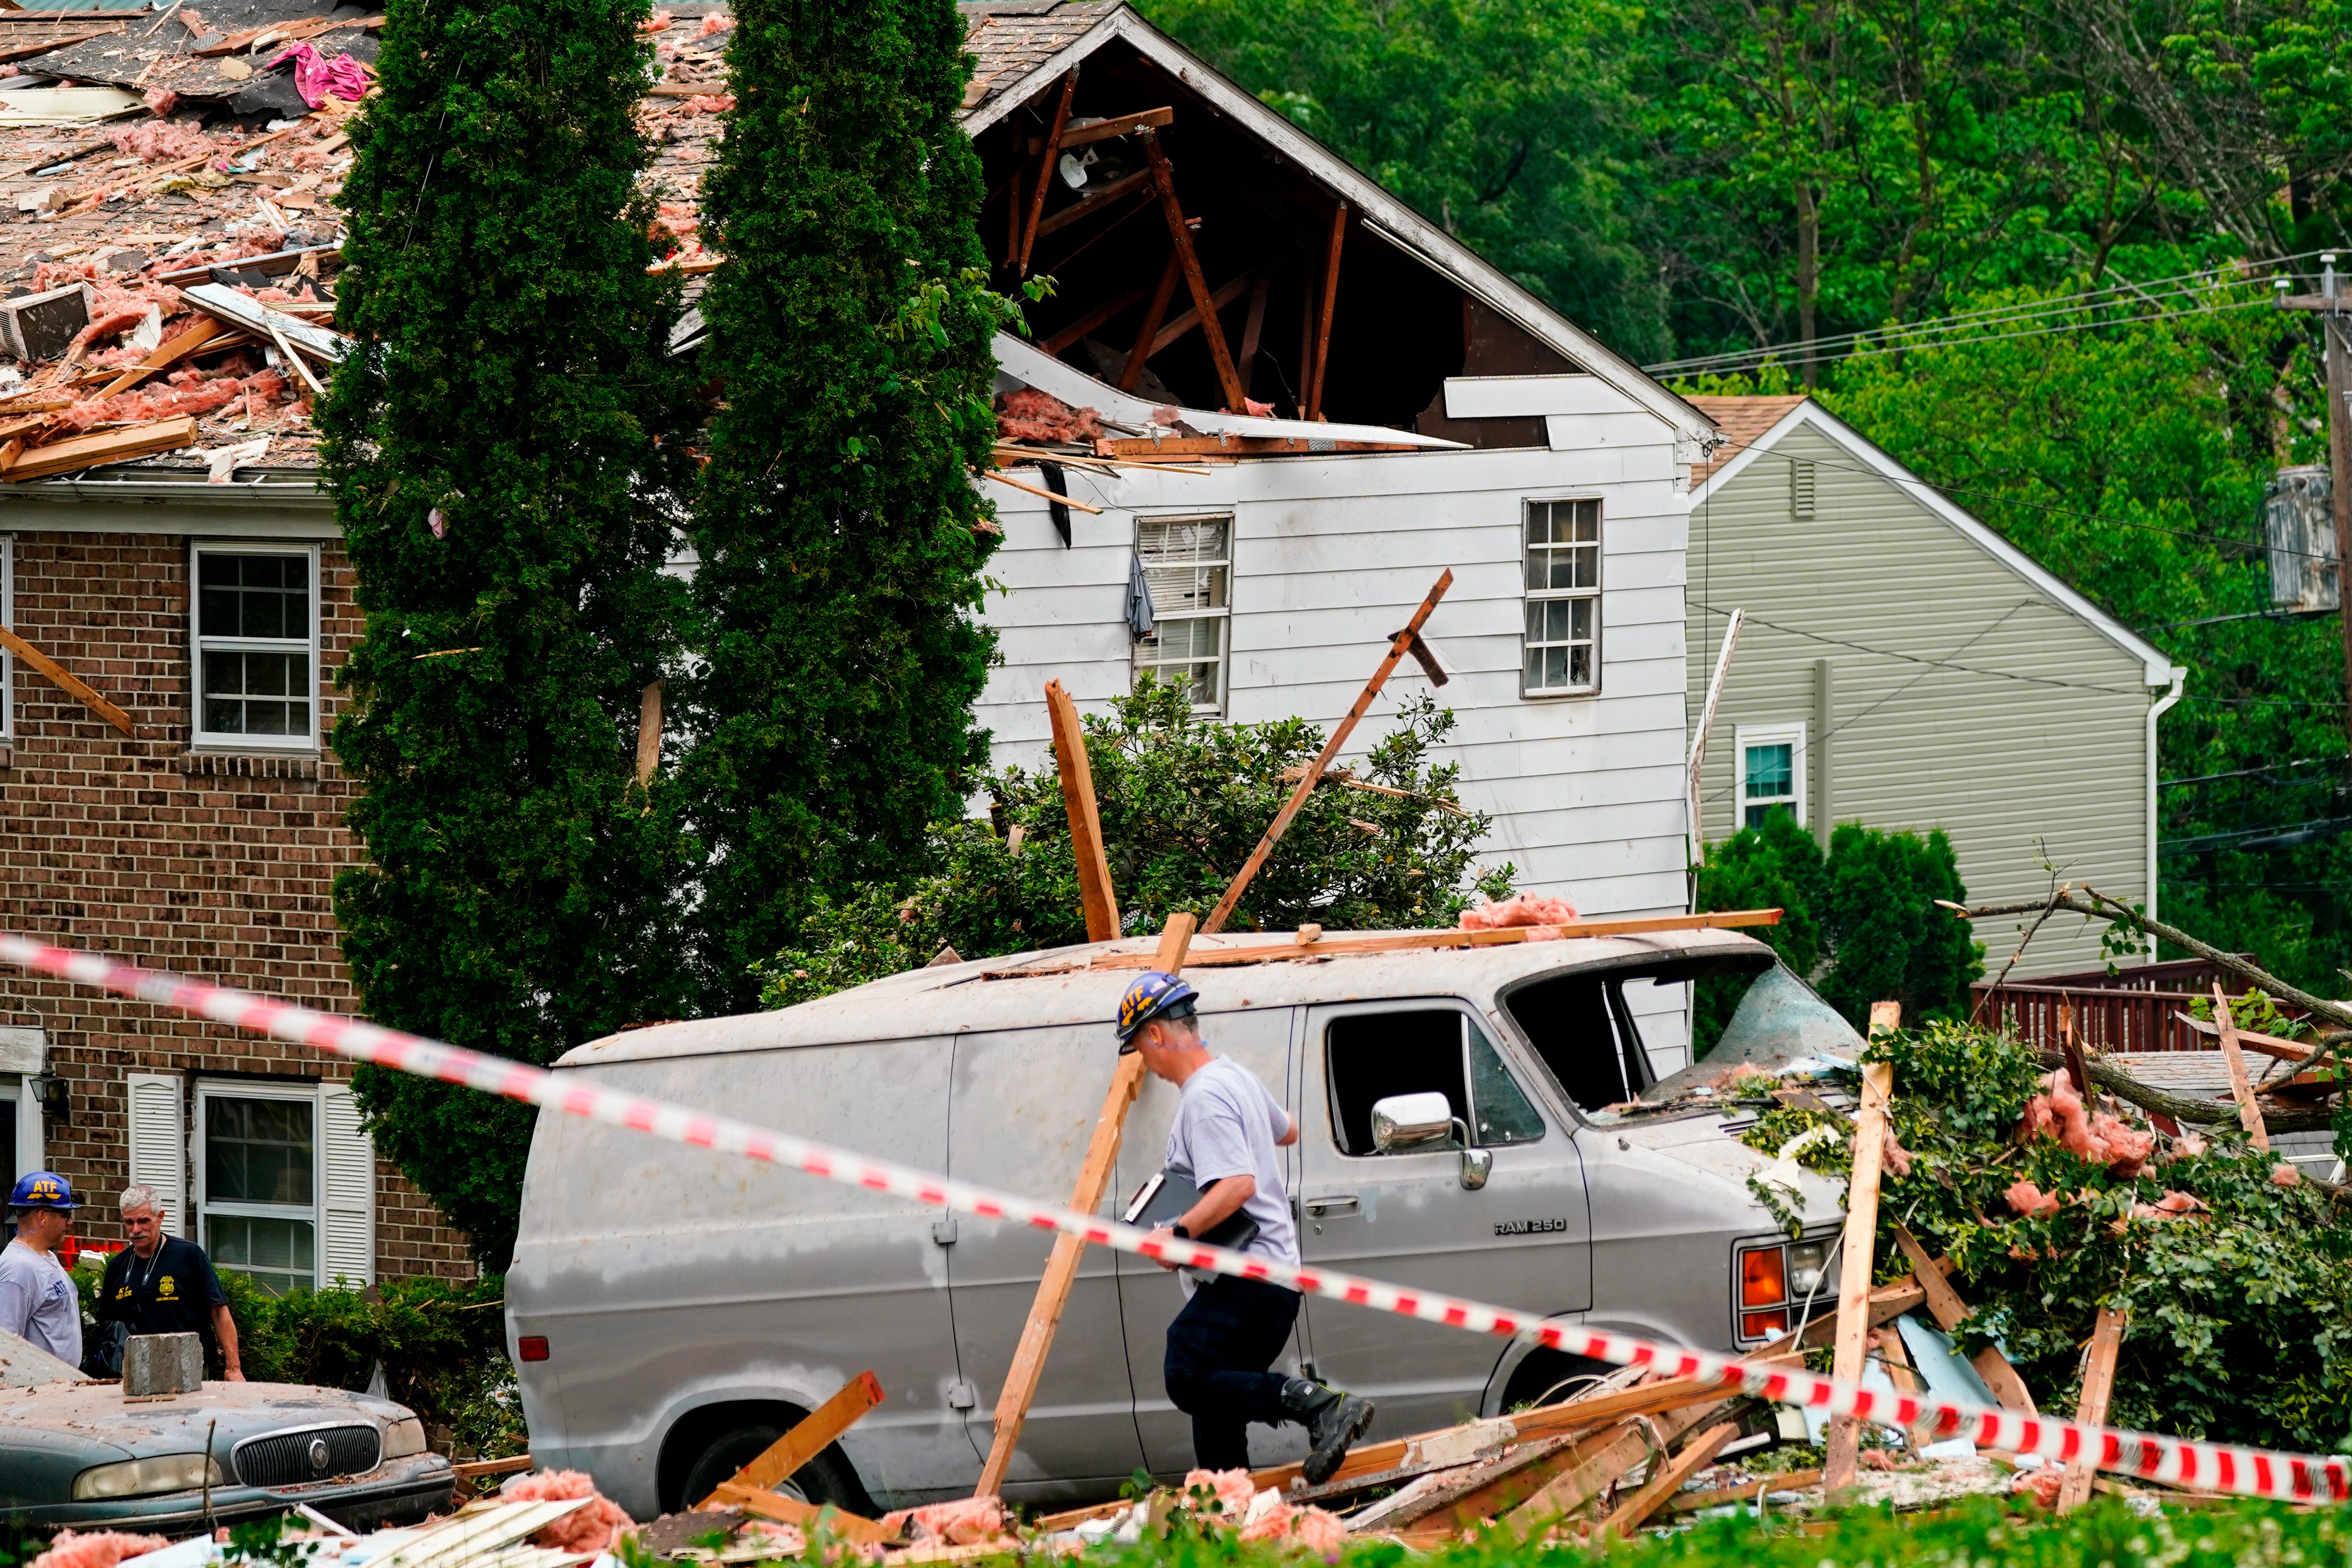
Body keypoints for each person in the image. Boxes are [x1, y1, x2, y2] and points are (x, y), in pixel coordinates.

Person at [1121, 970, 1375, 1482]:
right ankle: (1229, 1523)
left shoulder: (1203, 1098)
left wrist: (1179, 1234)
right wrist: (1181, 1191)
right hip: (1273, 1280)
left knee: (1187, 1370)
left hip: (1249, 1277)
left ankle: (1316, 1405)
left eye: (1138, 1048)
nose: (1144, 1062)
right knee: (1215, 1420)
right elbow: (1288, 1131)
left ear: (1155, 1034)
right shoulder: (1233, 1077)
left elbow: (1237, 1184)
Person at [94, 1185, 242, 1381]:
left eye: (143, 1221)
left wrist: (233, 1368)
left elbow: (218, 1311)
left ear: (160, 1217)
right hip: (136, 1371)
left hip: (188, 1367)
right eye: (129, 1222)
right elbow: (108, 1326)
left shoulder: (189, 1255)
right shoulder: (118, 1267)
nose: (136, 1230)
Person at [0, 1170, 83, 1366]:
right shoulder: (18, 1269)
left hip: (60, 1387)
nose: (70, 1222)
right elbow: (5, 1347)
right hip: (39, 1391)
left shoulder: (44, 1256)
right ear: (42, 1217)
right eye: (65, 1214)